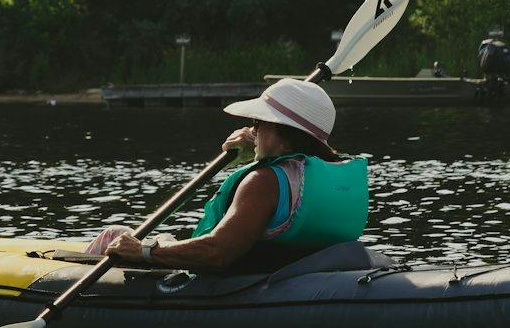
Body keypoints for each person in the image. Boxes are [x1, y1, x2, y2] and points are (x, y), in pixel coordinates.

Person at [89, 78, 372, 274]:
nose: (253, 128)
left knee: (116, 235)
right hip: (292, 274)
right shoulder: (332, 173)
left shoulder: (264, 181)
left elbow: (218, 252)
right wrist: (256, 151)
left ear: (282, 132)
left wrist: (145, 251)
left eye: (259, 123)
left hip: (235, 279)